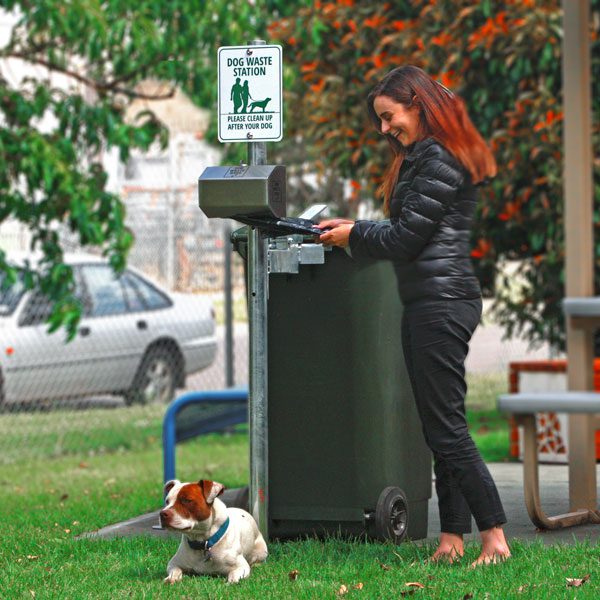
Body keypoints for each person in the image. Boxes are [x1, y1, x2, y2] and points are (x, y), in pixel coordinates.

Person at [317, 65, 510, 567]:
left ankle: (494, 537)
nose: (384, 130)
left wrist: (354, 236)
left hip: (441, 302)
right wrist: (356, 226)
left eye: (389, 117)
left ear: (418, 105)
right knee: (437, 426)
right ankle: (451, 538)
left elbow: (405, 239)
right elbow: (410, 227)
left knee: (447, 428)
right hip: (432, 299)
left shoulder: (440, 159)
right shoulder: (428, 158)